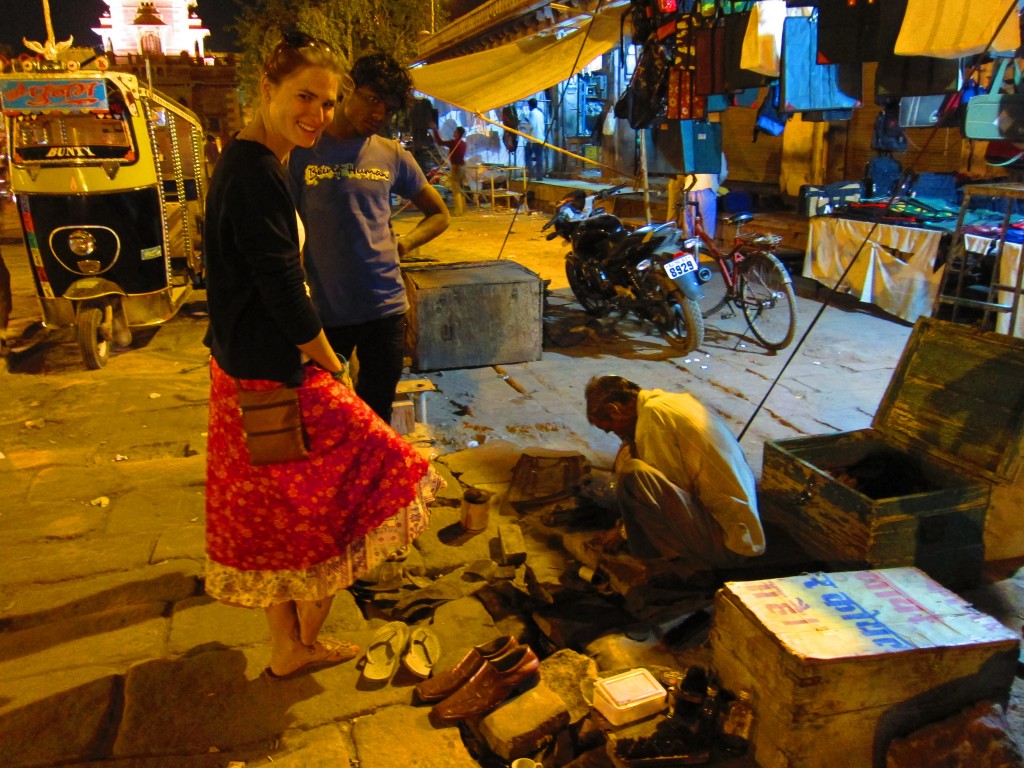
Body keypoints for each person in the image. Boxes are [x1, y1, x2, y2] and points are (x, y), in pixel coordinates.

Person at [202, 31, 440, 681]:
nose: (317, 112)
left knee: (284, 514)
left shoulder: (256, 162)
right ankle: (303, 634)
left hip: (247, 371)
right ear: (266, 89)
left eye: (325, 101)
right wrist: (330, 367)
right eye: (305, 96)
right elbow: (283, 288)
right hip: (277, 375)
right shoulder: (256, 172)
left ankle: (294, 643)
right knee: (382, 474)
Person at [290, 53, 450, 424]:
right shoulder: (302, 152)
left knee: (376, 413)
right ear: (349, 90)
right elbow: (284, 229)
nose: (379, 114)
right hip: (327, 314)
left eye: (389, 108)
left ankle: (371, 479)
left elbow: (439, 214)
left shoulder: (391, 154)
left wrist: (406, 243)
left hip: (386, 308)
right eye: (373, 99)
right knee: (326, 414)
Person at [584, 375, 765, 578]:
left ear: (613, 410)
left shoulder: (654, 418)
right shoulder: (668, 402)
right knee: (629, 455)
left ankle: (670, 564)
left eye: (609, 428)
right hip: (739, 534)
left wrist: (623, 532)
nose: (613, 433)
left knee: (633, 475)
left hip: (730, 545)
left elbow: (665, 490)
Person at [667, 153, 729, 241]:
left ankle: (689, 248)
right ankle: (705, 248)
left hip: (689, 187)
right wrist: (716, 184)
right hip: (707, 187)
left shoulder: (691, 147)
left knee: (689, 225)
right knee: (707, 224)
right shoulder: (716, 150)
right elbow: (723, 173)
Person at [430, 124, 468, 214]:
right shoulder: (464, 144)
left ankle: (459, 211)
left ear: (457, 133)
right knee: (460, 188)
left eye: (455, 132)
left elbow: (439, 142)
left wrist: (435, 130)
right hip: (463, 167)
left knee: (456, 188)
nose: (453, 133)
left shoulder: (454, 143)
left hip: (456, 167)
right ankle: (464, 209)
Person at [526, 98, 545, 181]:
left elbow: (532, 126)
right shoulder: (541, 113)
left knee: (527, 155)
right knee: (539, 157)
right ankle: (539, 176)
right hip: (541, 137)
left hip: (533, 138)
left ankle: (531, 173)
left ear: (530, 105)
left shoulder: (532, 113)